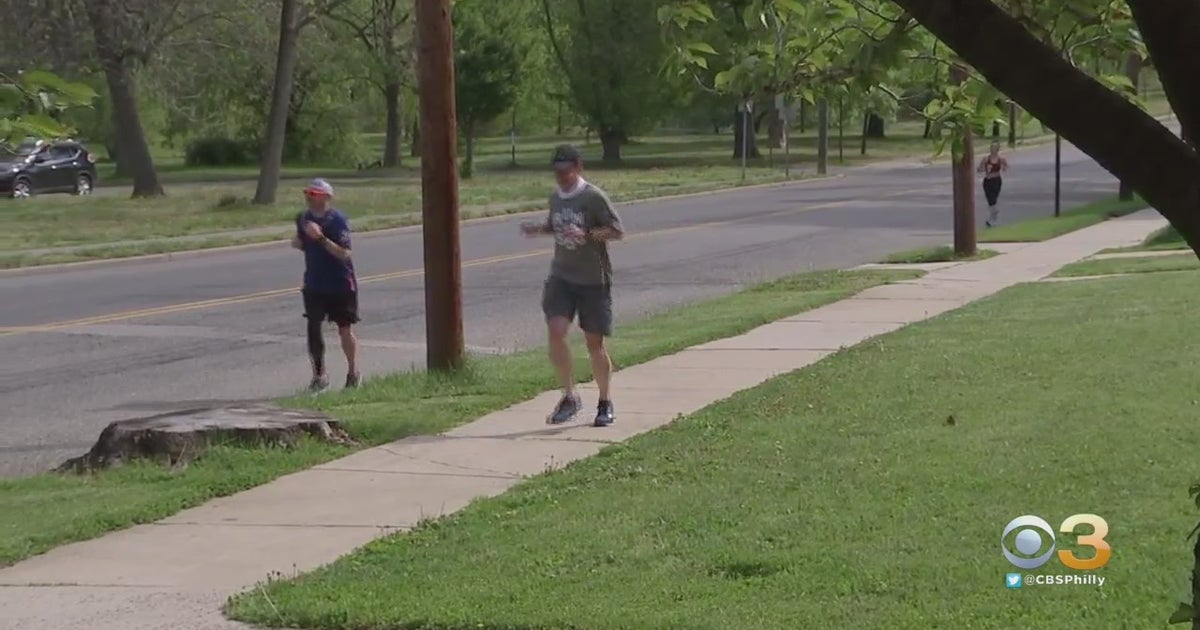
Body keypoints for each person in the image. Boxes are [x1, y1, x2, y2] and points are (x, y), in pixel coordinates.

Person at [521, 144, 624, 427]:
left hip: (593, 280)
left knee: (594, 344)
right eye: (557, 172)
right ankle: (569, 396)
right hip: (562, 276)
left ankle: (604, 402)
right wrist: (539, 229)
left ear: (578, 168)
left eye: (566, 171)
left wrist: (588, 234)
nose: (561, 177)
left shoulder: (593, 197)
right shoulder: (556, 198)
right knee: (556, 331)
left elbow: (617, 231)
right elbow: (557, 225)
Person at [292, 178, 361, 392]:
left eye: (314, 194)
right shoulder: (303, 218)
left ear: (326, 197)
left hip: (340, 281)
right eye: (308, 193)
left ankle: (353, 373)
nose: (309, 197)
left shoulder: (337, 220)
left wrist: (320, 238)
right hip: (314, 282)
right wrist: (300, 242)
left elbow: (345, 253)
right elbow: (304, 244)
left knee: (344, 329)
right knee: (313, 327)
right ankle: (319, 376)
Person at [977, 142, 1009, 227]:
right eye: (992, 148)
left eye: (994, 148)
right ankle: (993, 217)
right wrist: (981, 169)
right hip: (987, 181)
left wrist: (1004, 168)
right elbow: (980, 168)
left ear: (997, 150)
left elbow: (1006, 167)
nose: (993, 150)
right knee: (990, 200)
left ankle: (993, 218)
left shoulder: (1001, 159)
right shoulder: (986, 159)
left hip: (996, 180)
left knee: (993, 199)